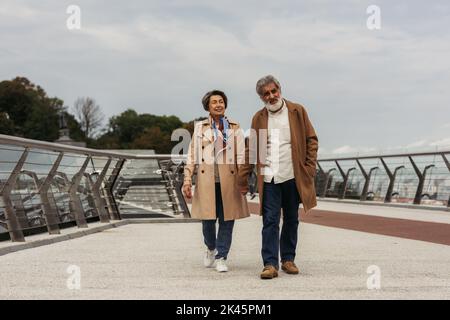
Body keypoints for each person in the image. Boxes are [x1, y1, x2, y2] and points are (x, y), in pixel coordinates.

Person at [238, 75, 318, 279]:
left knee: (292, 219)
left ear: (279, 89)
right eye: (266, 94)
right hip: (269, 177)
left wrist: (308, 168)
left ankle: (288, 260)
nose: (271, 96)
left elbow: (311, 140)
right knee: (270, 221)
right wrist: (243, 178)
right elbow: (252, 150)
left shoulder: (297, 111)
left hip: (293, 175)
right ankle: (270, 264)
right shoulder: (259, 118)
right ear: (261, 97)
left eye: (274, 91)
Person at [182, 90, 249, 272]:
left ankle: (221, 257)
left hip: (230, 182)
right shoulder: (200, 128)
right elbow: (192, 156)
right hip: (206, 182)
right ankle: (211, 248)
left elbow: (242, 156)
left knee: (228, 220)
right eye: (214, 102)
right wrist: (187, 180)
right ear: (208, 107)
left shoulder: (234, 127)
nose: (218, 104)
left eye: (221, 101)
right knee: (208, 221)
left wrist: (243, 180)